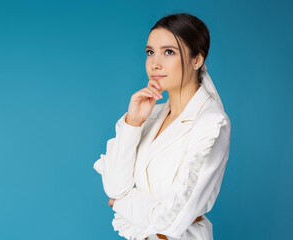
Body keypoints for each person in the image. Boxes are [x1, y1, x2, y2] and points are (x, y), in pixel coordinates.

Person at [93, 13, 231, 240]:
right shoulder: (153, 114)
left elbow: (172, 221)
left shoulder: (211, 123)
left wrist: (121, 203)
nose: (155, 64)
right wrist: (133, 123)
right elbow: (115, 187)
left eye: (169, 52)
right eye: (150, 52)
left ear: (197, 60)